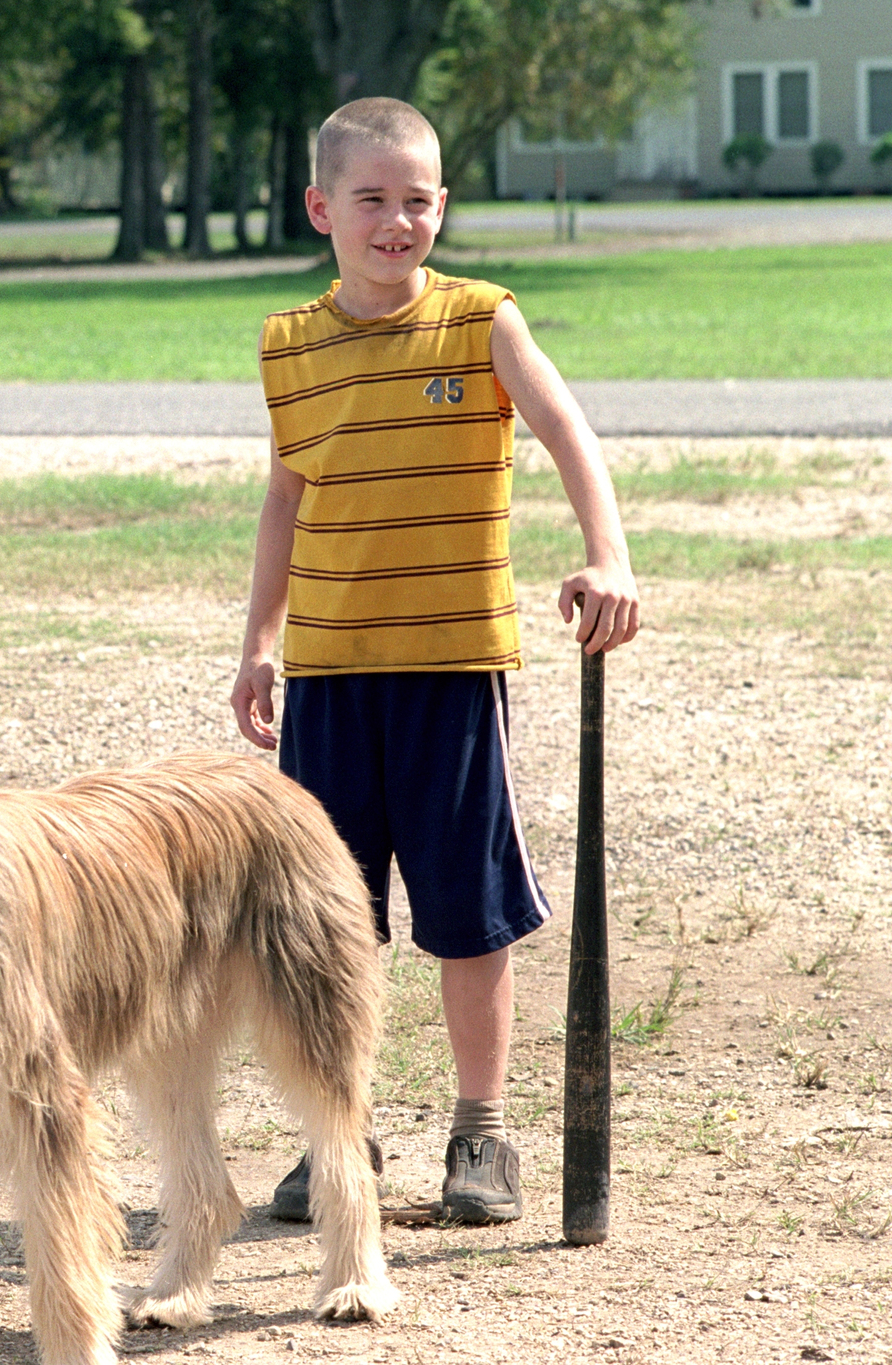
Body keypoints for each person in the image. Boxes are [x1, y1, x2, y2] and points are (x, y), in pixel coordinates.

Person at [230, 97, 640, 1226]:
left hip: (451, 669)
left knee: (467, 908)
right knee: (326, 923)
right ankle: (336, 1132)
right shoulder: (288, 344)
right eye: (371, 200)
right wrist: (258, 645)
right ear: (320, 208)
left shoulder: (480, 319)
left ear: (441, 206)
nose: (395, 222)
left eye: (417, 200)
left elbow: (566, 429)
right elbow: (284, 498)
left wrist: (606, 555)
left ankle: (481, 1134)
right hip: (326, 673)